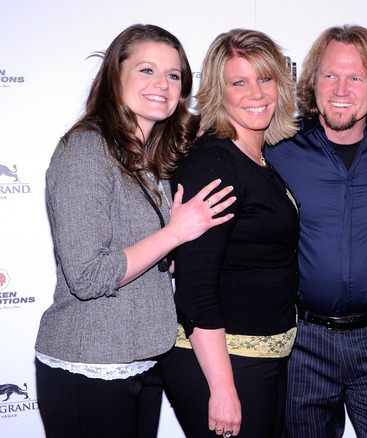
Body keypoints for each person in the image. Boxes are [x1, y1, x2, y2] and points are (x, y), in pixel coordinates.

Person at [34, 24, 235, 438]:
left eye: (173, 75)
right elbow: (88, 276)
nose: (162, 84)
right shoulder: (86, 150)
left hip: (143, 360)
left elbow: (141, 253)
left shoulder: (149, 156)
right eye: (146, 70)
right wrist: (175, 234)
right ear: (115, 76)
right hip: (89, 363)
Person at [264, 24, 367, 438]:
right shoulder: (277, 148)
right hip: (302, 343)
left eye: (356, 77)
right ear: (312, 81)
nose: (341, 89)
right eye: (330, 75)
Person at [159, 29, 299, 438]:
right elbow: (195, 286)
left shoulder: (254, 158)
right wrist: (221, 388)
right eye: (239, 82)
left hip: (258, 358)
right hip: (223, 364)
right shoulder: (215, 164)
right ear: (219, 92)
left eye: (265, 79)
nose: (256, 93)